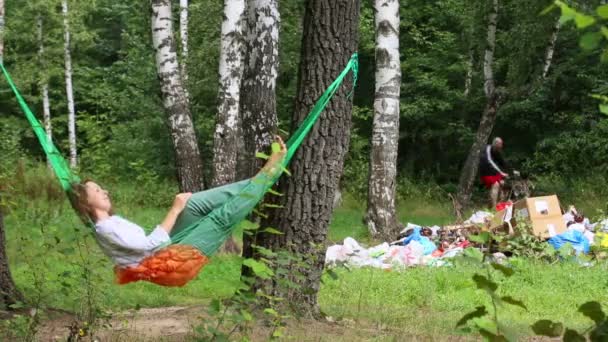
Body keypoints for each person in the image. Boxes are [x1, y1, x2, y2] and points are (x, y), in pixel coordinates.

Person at [71, 136, 287, 269]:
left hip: (163, 248)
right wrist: (174, 210)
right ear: (85, 203)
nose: (105, 191)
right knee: (219, 218)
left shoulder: (110, 222)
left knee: (192, 204)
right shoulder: (106, 228)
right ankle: (268, 174)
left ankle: (258, 179)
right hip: (165, 262)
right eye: (97, 191)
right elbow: (147, 247)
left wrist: (180, 208)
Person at [479, 137, 516, 209]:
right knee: (495, 185)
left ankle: (496, 206)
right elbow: (490, 162)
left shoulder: (496, 151)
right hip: (486, 172)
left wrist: (512, 170)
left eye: (500, 147)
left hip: (494, 172)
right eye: (498, 147)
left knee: (502, 184)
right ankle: (493, 208)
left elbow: (503, 162)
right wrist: (501, 173)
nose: (500, 149)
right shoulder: (487, 149)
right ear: (495, 144)